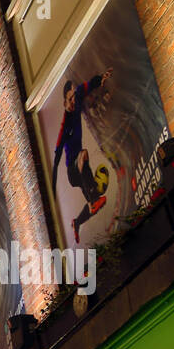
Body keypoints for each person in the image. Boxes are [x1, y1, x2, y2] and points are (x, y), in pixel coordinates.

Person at [51, 68, 113, 243]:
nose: (72, 102)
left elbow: (85, 87)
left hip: (81, 171)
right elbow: (57, 149)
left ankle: (76, 222)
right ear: (64, 101)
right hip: (73, 171)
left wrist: (100, 78)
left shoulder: (77, 98)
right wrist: (53, 176)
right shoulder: (66, 121)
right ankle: (94, 198)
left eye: (73, 98)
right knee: (83, 154)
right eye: (69, 100)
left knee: (94, 207)